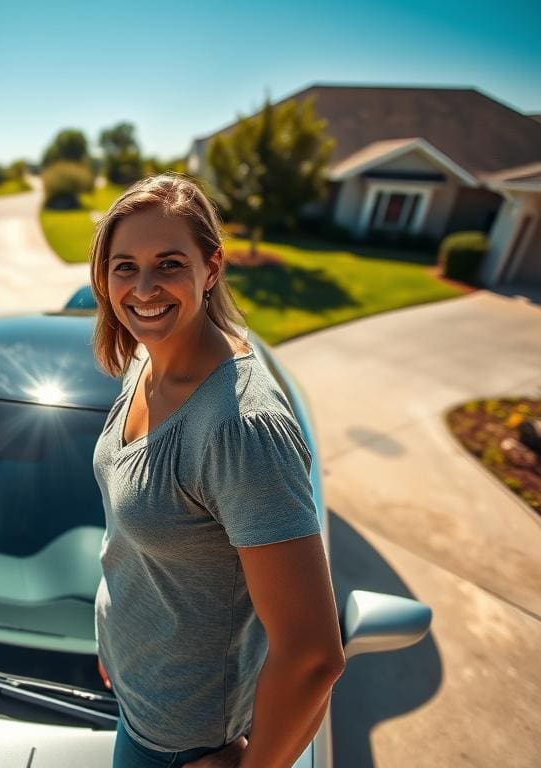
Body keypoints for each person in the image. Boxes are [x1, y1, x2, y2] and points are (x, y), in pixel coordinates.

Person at [90, 174, 346, 768]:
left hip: (180, 745)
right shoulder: (148, 360)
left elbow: (313, 655)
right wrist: (118, 643)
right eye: (124, 266)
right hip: (137, 697)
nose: (144, 287)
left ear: (212, 267)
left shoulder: (240, 427)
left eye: (169, 263)